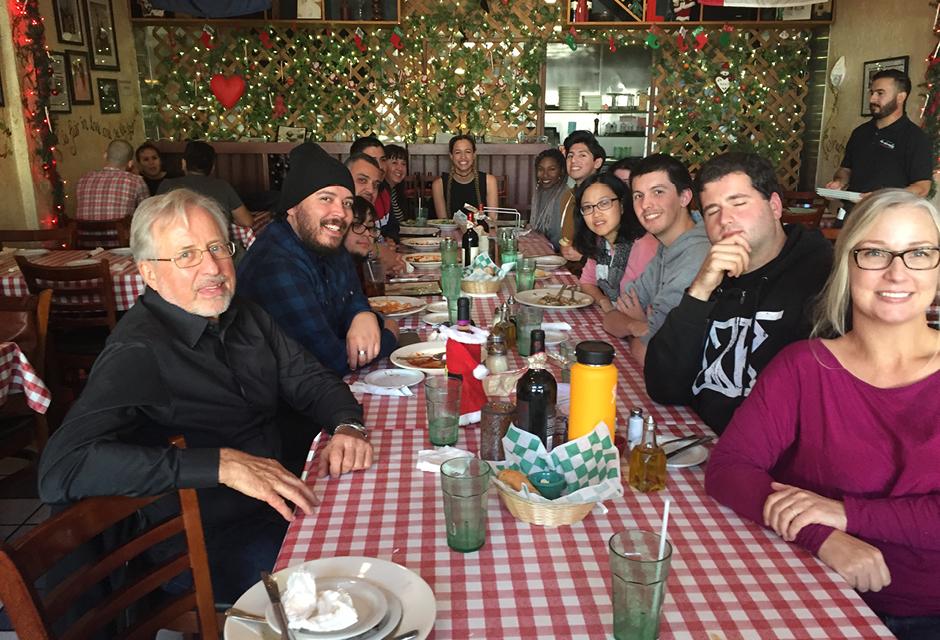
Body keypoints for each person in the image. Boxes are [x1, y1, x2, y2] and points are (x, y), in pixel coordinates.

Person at [37, 188, 374, 603]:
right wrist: (220, 464)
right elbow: (59, 469)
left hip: (277, 506)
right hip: (200, 546)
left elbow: (312, 380)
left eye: (218, 247)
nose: (212, 267)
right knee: (353, 586)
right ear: (149, 273)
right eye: (186, 255)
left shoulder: (244, 315)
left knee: (383, 534)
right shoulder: (138, 353)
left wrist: (347, 425)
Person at [705, 189, 940, 640]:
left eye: (919, 253)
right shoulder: (803, 366)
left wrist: (847, 516)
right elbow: (729, 468)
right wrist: (823, 535)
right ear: (847, 264)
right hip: (812, 593)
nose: (897, 272)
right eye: (874, 252)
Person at [645, 152, 833, 433]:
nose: (725, 220)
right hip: (701, 442)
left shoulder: (823, 279)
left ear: (775, 206)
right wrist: (700, 289)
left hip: (768, 462)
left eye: (739, 203)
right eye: (712, 211)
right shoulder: (712, 277)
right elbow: (662, 385)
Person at [237, 142, 399, 375]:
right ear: (293, 206)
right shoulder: (276, 264)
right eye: (326, 199)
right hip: (279, 404)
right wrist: (389, 333)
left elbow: (352, 295)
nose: (340, 213)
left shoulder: (326, 241)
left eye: (347, 203)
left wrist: (362, 314)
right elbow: (329, 360)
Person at [607, 154, 710, 364]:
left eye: (658, 192)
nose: (646, 205)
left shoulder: (698, 255)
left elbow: (652, 357)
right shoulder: (667, 248)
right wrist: (636, 325)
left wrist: (641, 328)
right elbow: (611, 319)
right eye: (638, 196)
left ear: (685, 197)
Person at [825, 69, 932, 223]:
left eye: (880, 93)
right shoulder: (860, 133)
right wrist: (839, 183)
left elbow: (922, 187)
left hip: (890, 221)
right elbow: (845, 170)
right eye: (872, 92)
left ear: (901, 97)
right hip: (851, 217)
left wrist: (883, 197)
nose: (873, 98)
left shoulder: (915, 138)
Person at [571, 172, 658, 313]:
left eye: (604, 203)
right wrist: (604, 302)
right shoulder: (600, 242)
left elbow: (655, 309)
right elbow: (587, 282)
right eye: (588, 207)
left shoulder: (645, 247)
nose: (596, 214)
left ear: (622, 205)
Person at [158, 140, 255, 229]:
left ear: (183, 163)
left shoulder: (166, 185)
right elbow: (247, 221)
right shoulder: (222, 186)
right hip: (215, 243)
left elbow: (155, 220)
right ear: (212, 167)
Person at [346, 152, 404, 274]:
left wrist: (381, 265)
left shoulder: (369, 211)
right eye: (362, 180)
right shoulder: (336, 216)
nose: (371, 190)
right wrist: (377, 251)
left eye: (375, 185)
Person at [559, 130, 606, 262]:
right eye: (570, 156)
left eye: (582, 155)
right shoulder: (568, 195)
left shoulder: (604, 198)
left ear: (597, 163)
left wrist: (585, 256)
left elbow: (617, 246)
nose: (574, 160)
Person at [75, 139, 148, 222]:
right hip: (120, 234)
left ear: (105, 155)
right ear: (130, 163)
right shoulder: (136, 181)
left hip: (84, 234)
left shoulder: (83, 180)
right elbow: (147, 214)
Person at [432, 134, 499, 219]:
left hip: (482, 232)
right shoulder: (439, 185)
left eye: (467, 152)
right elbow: (443, 223)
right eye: (457, 152)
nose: (463, 157)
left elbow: (492, 222)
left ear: (474, 155)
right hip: (450, 232)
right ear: (451, 156)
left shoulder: (489, 181)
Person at [350, 136, 399, 242]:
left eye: (383, 160)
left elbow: (393, 229)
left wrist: (390, 240)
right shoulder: (343, 207)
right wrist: (378, 251)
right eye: (371, 160)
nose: (380, 167)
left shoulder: (383, 192)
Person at [528, 148, 568, 249]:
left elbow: (558, 237)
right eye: (541, 169)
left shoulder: (565, 196)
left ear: (562, 171)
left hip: (559, 253)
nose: (545, 175)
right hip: (541, 247)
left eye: (552, 169)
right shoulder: (539, 192)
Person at [385, 143, 412, 223]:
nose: (400, 168)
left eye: (403, 164)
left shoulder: (396, 191)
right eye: (394, 163)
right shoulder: (379, 193)